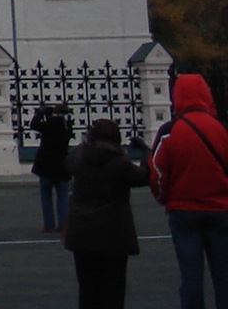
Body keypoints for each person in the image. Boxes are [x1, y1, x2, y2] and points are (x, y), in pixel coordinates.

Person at [151, 73, 228, 309]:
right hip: (220, 209)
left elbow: (157, 172)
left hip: (183, 210)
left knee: (191, 274)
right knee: (224, 273)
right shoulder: (221, 128)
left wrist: (165, 198)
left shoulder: (170, 131)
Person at [62, 118, 150, 308]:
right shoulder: (120, 163)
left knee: (87, 288)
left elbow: (67, 163)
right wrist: (145, 152)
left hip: (82, 231)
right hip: (113, 232)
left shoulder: (78, 159)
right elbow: (144, 177)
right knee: (113, 288)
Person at [33, 103, 75, 234]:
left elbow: (34, 125)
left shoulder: (50, 124)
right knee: (63, 197)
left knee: (46, 196)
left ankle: (48, 225)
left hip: (46, 164)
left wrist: (40, 113)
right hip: (62, 165)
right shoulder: (67, 126)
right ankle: (63, 224)